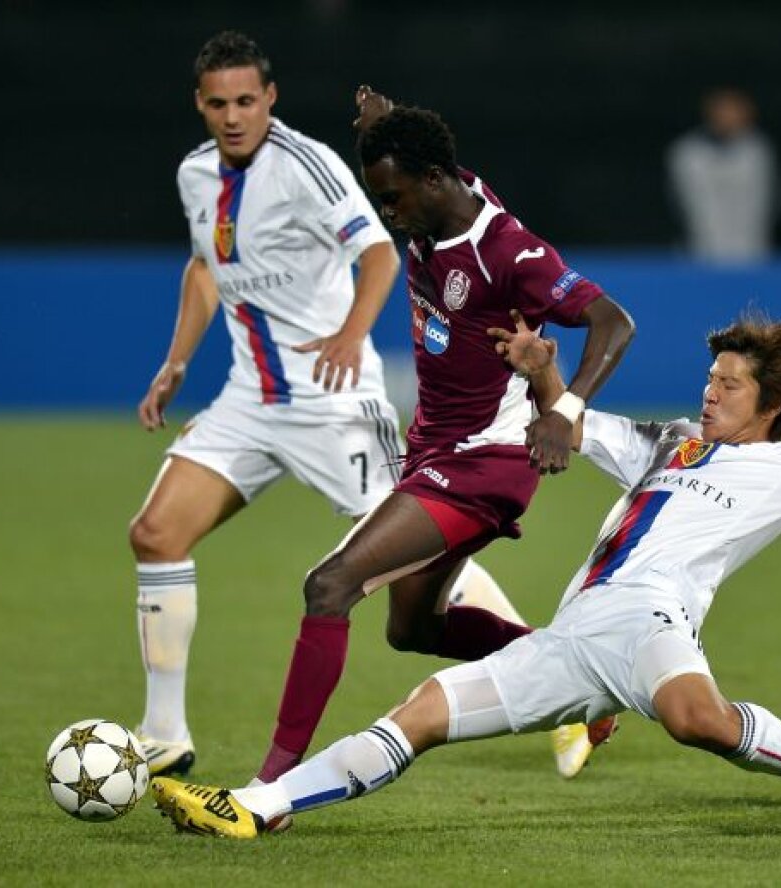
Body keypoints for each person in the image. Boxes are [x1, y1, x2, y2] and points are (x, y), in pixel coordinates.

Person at [150, 310, 781, 840]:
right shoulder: (669, 442)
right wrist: (546, 373)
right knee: (421, 712)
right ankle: (256, 808)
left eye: (729, 385)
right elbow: (573, 426)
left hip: (655, 623)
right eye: (710, 377)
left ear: (771, 404)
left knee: (698, 721)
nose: (709, 391)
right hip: (573, 637)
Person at [129, 33, 522, 778]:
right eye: (219, 104)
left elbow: (376, 252)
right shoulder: (195, 174)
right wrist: (175, 363)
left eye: (247, 101)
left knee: (419, 553)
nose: (233, 116)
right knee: (155, 534)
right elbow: (205, 269)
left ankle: (537, 657)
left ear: (270, 98)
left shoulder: (305, 165)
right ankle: (163, 732)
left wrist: (348, 334)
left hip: (334, 400)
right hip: (250, 400)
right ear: (200, 105)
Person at [246, 90, 636, 787]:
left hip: (486, 461)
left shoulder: (508, 251)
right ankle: (582, 685)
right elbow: (418, 151)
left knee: (329, 586)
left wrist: (563, 411)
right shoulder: (439, 192)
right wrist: (380, 126)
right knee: (413, 632)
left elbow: (614, 321)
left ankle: (269, 786)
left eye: (392, 198)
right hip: (435, 451)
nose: (387, 214)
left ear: (432, 181)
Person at [667, 88, 779, 260]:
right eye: (723, 110)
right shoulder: (688, 152)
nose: (728, 117)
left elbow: (768, 204)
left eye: (734, 111)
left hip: (752, 253)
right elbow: (685, 205)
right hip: (700, 253)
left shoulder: (759, 151)